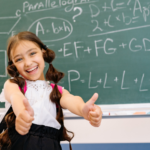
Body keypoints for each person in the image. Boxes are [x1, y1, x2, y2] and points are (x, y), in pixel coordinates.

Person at [0, 31, 102, 150]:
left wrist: (83, 109)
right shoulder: (14, 84)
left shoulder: (55, 91)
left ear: (43, 53)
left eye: (32, 53)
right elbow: (15, 96)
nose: (28, 63)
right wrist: (22, 112)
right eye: (19, 59)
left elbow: (71, 100)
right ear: (13, 65)